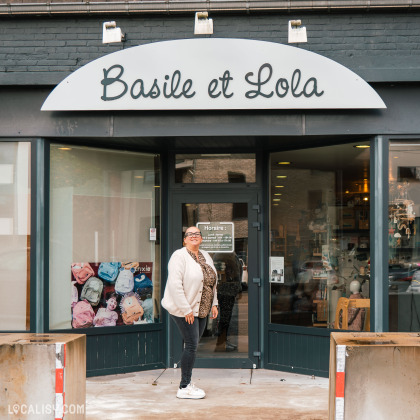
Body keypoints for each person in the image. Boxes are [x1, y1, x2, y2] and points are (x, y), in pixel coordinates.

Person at [161, 226, 218, 399]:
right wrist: (186, 309)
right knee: (192, 345)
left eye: (197, 234)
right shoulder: (179, 256)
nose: (194, 236)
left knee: (192, 345)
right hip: (184, 310)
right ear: (184, 239)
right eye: (190, 234)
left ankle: (187, 383)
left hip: (201, 309)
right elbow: (174, 284)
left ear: (201, 238)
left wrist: (214, 304)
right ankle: (184, 387)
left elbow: (212, 282)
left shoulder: (205, 255)